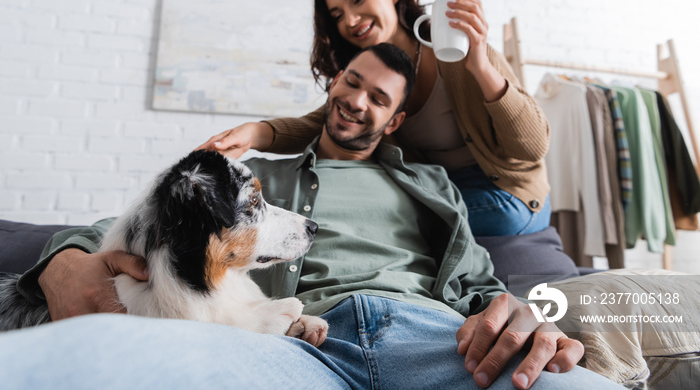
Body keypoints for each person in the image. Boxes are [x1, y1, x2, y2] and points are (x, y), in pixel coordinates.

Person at [5, 44, 622, 390]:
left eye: (378, 97)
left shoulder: (433, 185)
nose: (357, 100)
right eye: (351, 81)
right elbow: (151, 222)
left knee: (572, 388)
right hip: (294, 344)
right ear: (333, 84)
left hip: (438, 340)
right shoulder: (257, 180)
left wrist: (517, 312)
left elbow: (482, 285)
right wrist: (61, 261)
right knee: (90, 368)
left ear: (396, 121)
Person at [197, 0, 552, 237]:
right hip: (440, 190)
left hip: (507, 196)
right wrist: (255, 133)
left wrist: (481, 67)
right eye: (338, 14)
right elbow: (329, 124)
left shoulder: (460, 54)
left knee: (376, 219)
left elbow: (533, 148)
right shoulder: (367, 71)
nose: (350, 19)